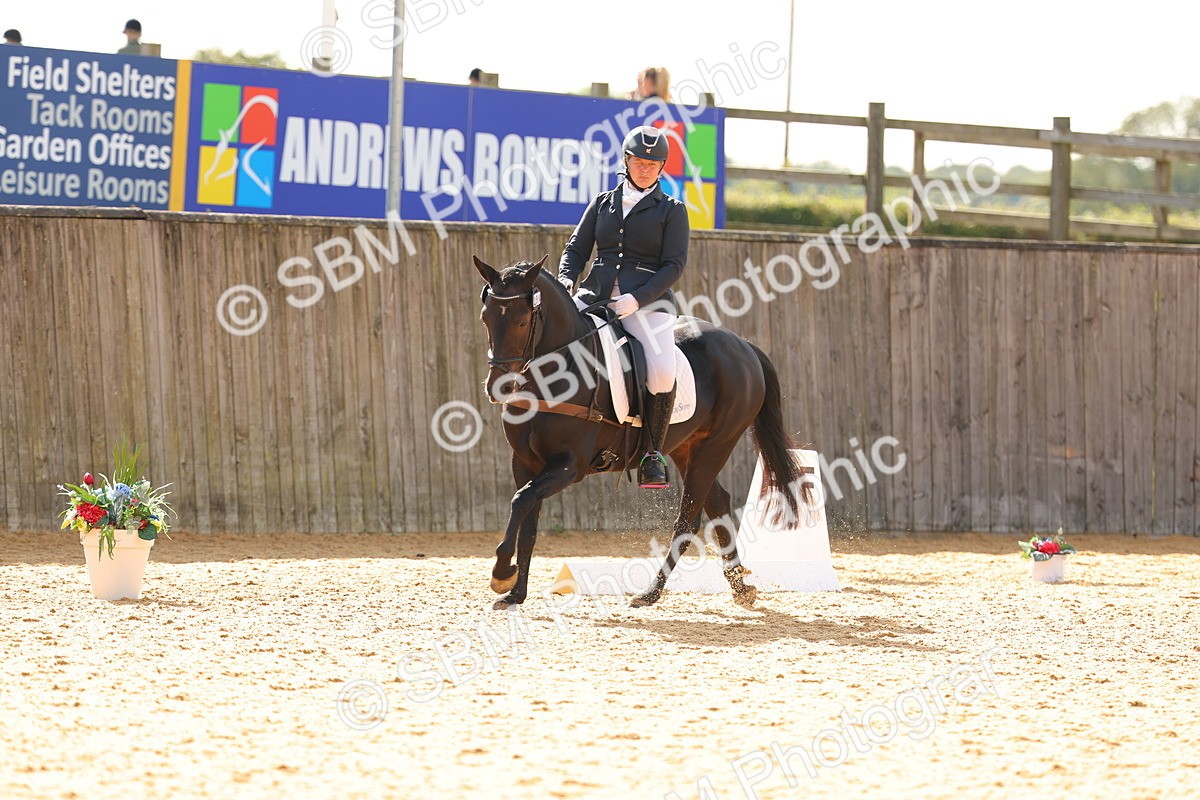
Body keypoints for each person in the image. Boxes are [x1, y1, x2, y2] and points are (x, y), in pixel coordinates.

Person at [558, 125, 688, 488]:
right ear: (626, 161)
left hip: (647, 302)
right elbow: (576, 250)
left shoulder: (672, 210)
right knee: (555, 338)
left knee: (661, 371)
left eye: (653, 163)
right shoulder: (602, 203)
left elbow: (674, 265)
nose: (645, 168)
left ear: (661, 167)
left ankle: (651, 454)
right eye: (639, 161)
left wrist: (637, 298)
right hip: (594, 295)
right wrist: (568, 278)